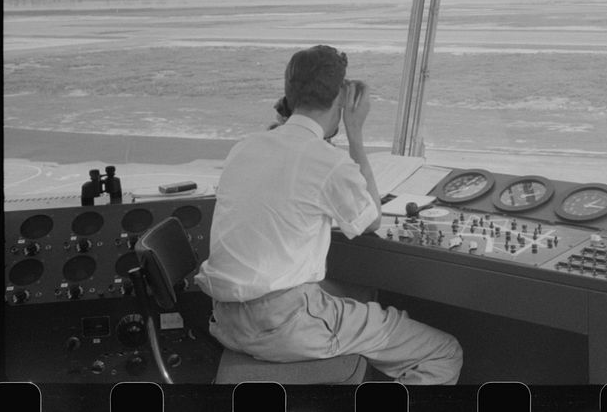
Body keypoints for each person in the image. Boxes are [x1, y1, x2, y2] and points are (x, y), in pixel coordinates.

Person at [195, 45, 463, 385]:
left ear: (290, 95)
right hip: (284, 327)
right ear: (340, 100)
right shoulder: (327, 161)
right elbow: (371, 220)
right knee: (443, 351)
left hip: (227, 321)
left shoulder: (245, 148)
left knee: (357, 293)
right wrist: (355, 134)